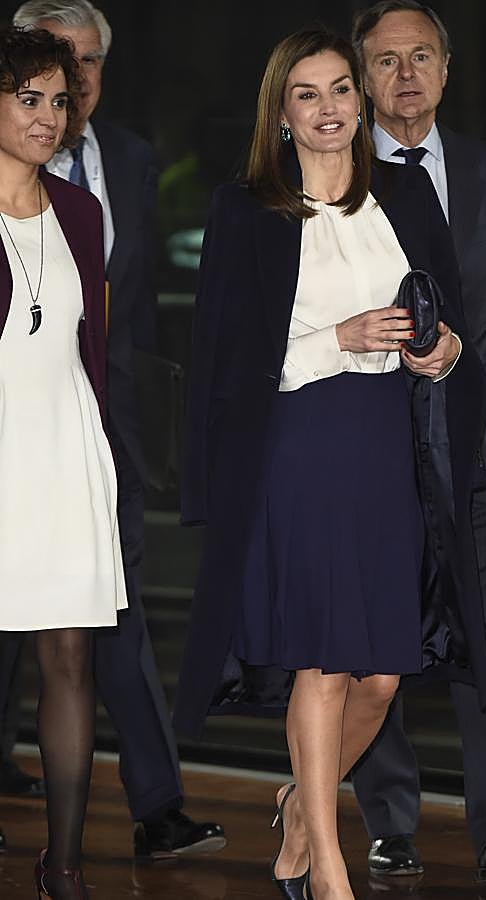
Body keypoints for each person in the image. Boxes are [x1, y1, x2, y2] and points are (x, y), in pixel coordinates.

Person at [173, 26, 486, 900]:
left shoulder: (407, 198)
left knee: (382, 674)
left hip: (389, 446)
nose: (329, 109)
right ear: (281, 113)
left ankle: (299, 811)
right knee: (324, 661)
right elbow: (228, 362)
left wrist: (442, 352)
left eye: (341, 90)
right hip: (297, 448)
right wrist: (336, 340)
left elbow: (452, 327)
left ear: (361, 101)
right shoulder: (248, 208)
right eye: (307, 94)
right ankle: (331, 870)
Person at [7, 0, 224, 859]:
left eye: (85, 65)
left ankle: (152, 805)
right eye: (48, 70)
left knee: (111, 618)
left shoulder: (123, 167)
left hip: (98, 430)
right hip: (9, 440)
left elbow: (126, 318)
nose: (70, 85)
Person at [348, 0, 486, 884]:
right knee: (380, 633)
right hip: (369, 442)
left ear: (446, 67)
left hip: (477, 442)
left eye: (421, 55)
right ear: (361, 76)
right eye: (386, 60)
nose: (406, 74)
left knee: (483, 628)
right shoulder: (332, 171)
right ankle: (390, 825)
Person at [0, 24, 126, 898]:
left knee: (71, 655)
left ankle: (68, 866)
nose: (48, 116)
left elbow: (96, 347)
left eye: (59, 100)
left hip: (64, 447)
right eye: (27, 98)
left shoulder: (79, 213)